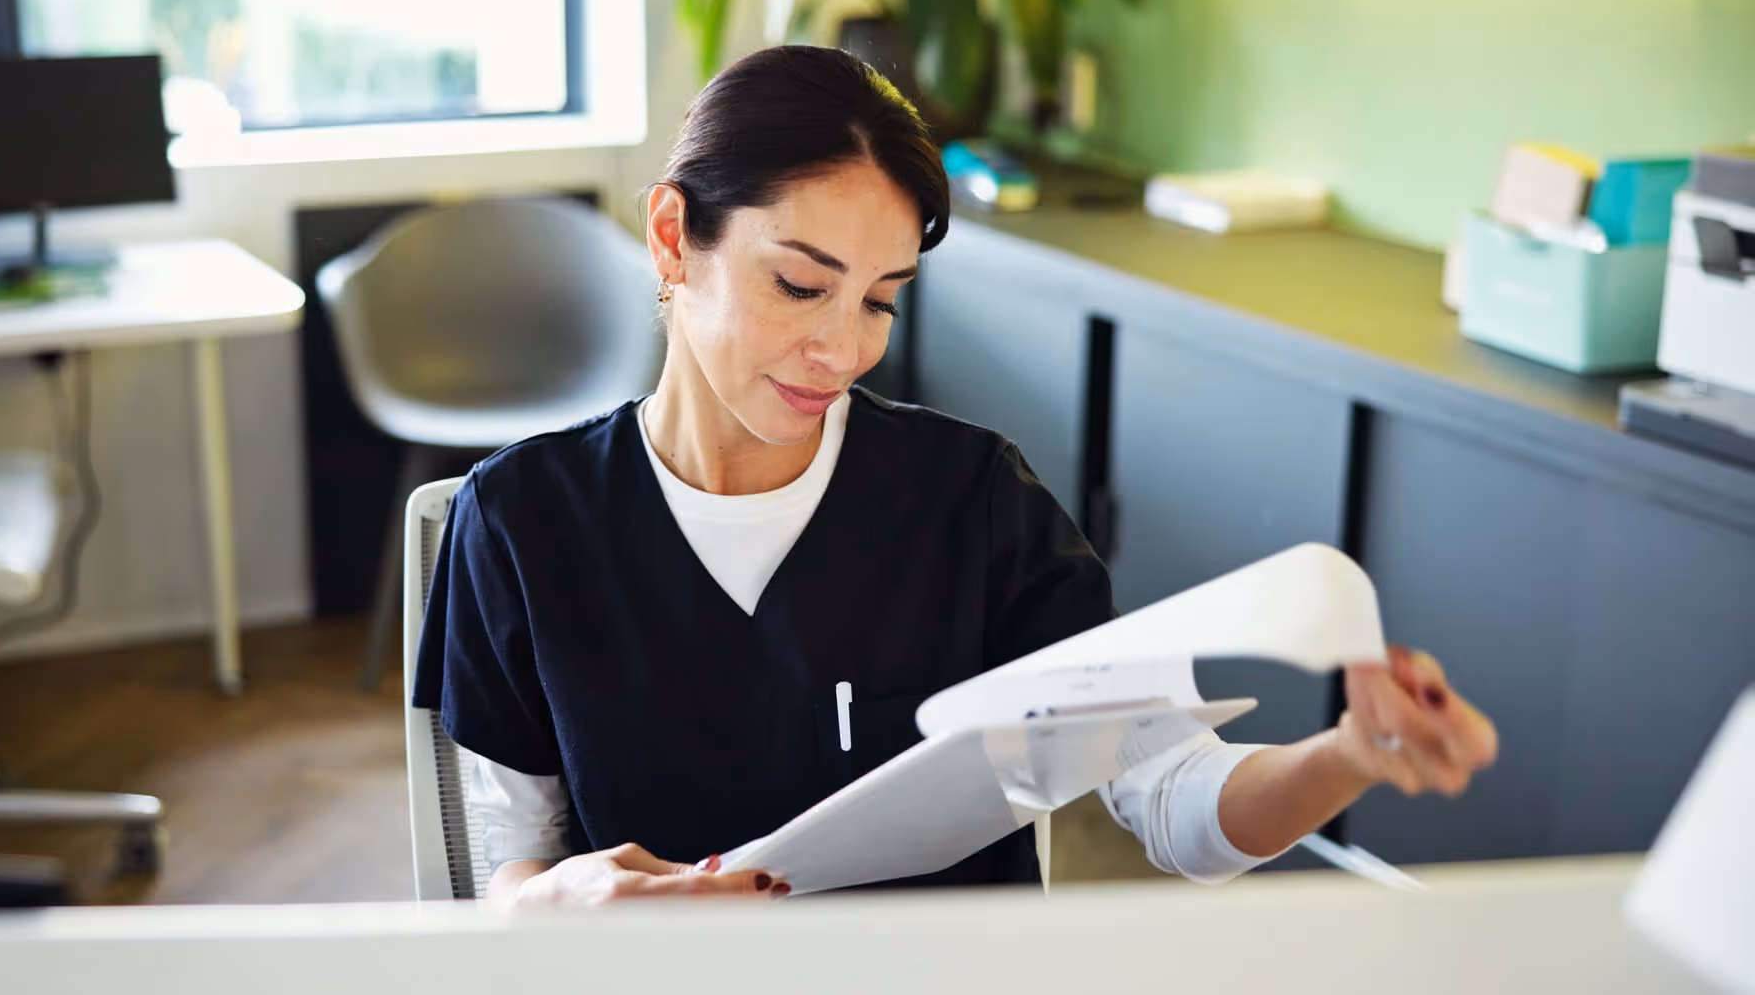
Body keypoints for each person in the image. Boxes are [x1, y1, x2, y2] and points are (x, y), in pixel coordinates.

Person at [411, 46, 1498, 909]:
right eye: (801, 285)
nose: (842, 349)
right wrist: (558, 901)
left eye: (881, 300)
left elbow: (1174, 797)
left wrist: (1349, 754)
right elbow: (507, 863)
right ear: (671, 236)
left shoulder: (975, 504)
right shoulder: (520, 522)